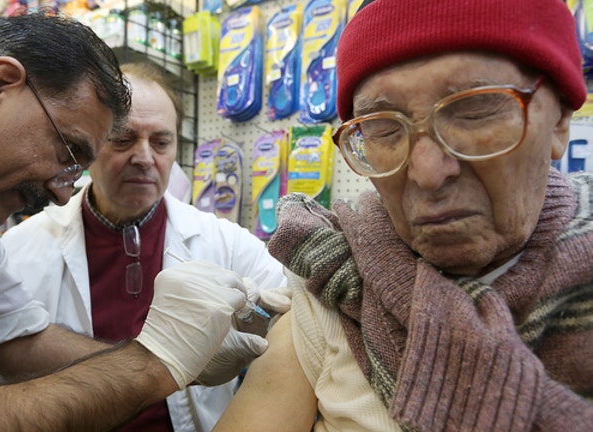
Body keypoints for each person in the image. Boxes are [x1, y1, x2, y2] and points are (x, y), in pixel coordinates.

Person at [0, 2, 274, 430]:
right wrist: (155, 365)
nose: (64, 194)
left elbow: (17, 339)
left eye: (162, 142)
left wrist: (181, 363)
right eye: (70, 153)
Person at [213, 0, 593, 431]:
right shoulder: (331, 282)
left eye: (475, 110)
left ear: (561, 119)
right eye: (383, 129)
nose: (428, 173)